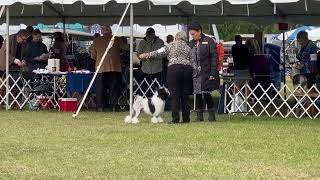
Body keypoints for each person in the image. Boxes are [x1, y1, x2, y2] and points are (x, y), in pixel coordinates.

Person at [139, 31, 195, 123]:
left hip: (174, 69)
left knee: (175, 95)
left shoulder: (171, 45)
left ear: (176, 37)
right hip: (187, 70)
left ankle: (175, 119)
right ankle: (186, 119)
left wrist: (146, 55)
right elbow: (193, 62)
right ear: (185, 39)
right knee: (185, 96)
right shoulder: (189, 48)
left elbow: (158, 52)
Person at [91, 25, 129, 112]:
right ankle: (113, 106)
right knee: (114, 88)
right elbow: (126, 48)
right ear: (110, 31)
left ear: (102, 31)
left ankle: (100, 107)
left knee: (100, 88)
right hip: (114, 67)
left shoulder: (96, 41)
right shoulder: (116, 39)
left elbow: (93, 55)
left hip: (101, 68)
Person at [188, 22, 220, 122]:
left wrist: (213, 72)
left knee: (206, 93)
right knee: (197, 94)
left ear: (199, 32)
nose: (192, 36)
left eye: (193, 34)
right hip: (195, 73)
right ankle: (199, 115)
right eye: (191, 34)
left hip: (206, 71)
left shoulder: (208, 41)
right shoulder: (191, 43)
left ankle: (211, 114)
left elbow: (215, 57)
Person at [137, 28, 165, 97]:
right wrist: (142, 57)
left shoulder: (160, 42)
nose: (148, 36)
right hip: (145, 70)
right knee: (144, 89)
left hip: (157, 69)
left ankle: (157, 104)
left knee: (157, 90)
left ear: (154, 34)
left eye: (150, 34)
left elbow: (163, 54)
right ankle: (145, 103)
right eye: (147, 34)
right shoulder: (142, 42)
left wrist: (154, 56)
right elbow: (139, 54)